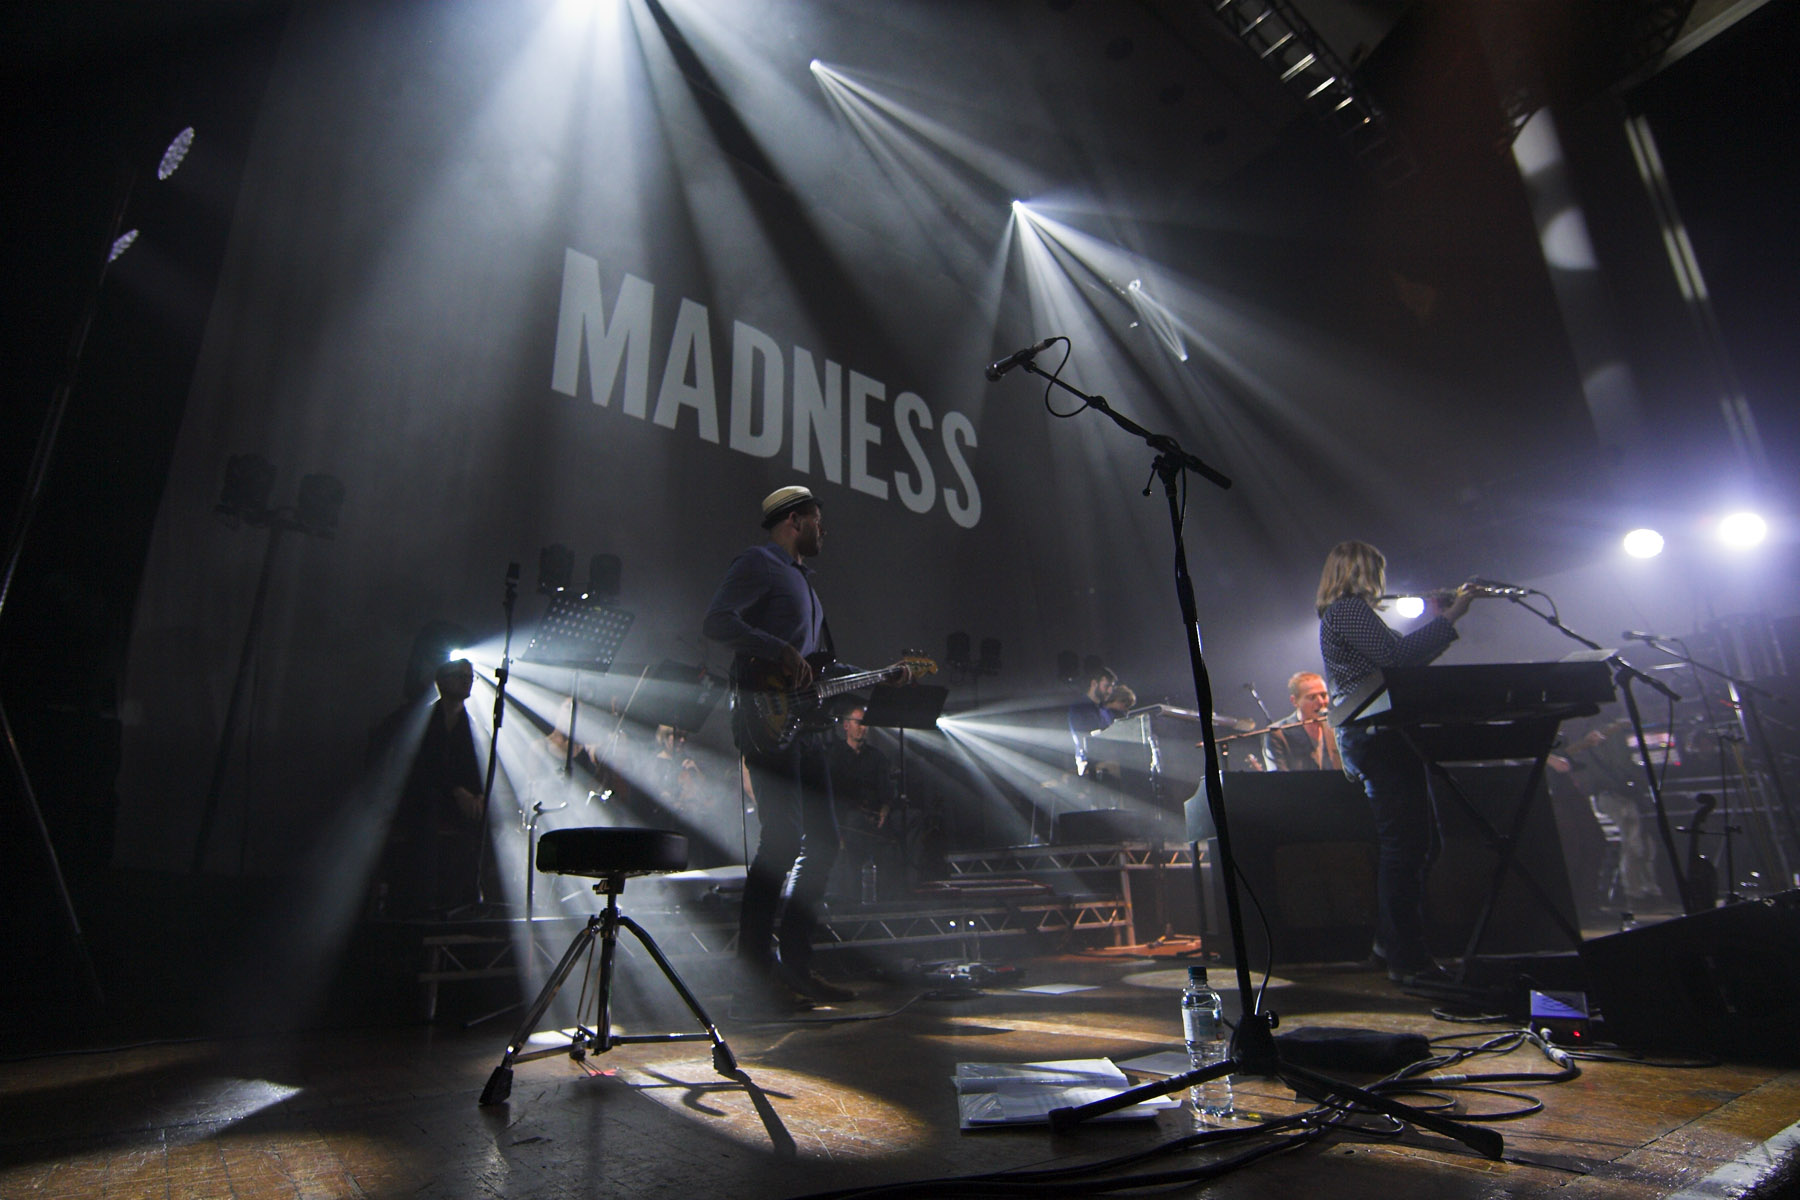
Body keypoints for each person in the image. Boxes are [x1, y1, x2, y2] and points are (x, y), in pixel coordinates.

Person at [704, 485, 911, 1009]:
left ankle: (796, 967)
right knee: (781, 839)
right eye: (818, 519)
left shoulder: (806, 585)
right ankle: (755, 976)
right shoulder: (760, 563)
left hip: (809, 728)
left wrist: (878, 677)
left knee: (821, 843)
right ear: (795, 520)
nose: (825, 529)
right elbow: (718, 621)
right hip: (766, 721)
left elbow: (820, 668)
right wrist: (777, 649)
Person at [1317, 540, 1474, 986]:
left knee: (1417, 844)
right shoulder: (1348, 610)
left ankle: (1390, 945)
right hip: (1377, 735)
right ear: (1363, 571)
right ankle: (1407, 959)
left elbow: (1405, 661)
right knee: (1405, 847)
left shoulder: (1350, 614)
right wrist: (1452, 615)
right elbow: (1397, 660)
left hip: (1381, 734)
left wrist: (1440, 620)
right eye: (1378, 571)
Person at [388, 657, 487, 916]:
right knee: (428, 808)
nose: (466, 681)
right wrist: (456, 790)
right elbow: (419, 768)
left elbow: (477, 768)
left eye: (470, 677)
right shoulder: (420, 720)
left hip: (459, 805)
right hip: (424, 801)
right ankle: (425, 903)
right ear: (441, 680)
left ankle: (470, 898)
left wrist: (479, 795)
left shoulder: (472, 727)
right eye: (460, 675)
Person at [827, 703, 897, 901]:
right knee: (853, 834)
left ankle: (888, 896)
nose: (863, 727)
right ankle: (851, 898)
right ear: (846, 725)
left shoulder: (876, 757)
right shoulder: (834, 756)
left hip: (874, 817)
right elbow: (832, 793)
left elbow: (886, 789)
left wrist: (884, 809)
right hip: (848, 819)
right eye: (858, 722)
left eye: (865, 723)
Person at [1262, 671, 1341, 772]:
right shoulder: (1278, 733)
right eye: (1312, 697)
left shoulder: (1336, 726)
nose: (1321, 702)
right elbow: (1278, 777)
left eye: (1324, 695)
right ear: (1294, 701)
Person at [1068, 665, 1119, 777]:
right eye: (1107, 686)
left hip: (1106, 761)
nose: (1110, 691)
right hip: (1089, 764)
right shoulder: (1079, 708)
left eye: (1112, 687)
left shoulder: (1106, 711)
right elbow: (1083, 741)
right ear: (1094, 684)